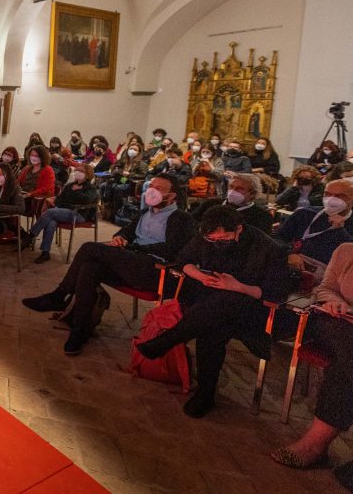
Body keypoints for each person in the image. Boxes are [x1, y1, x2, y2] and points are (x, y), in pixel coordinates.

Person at [135, 207, 291, 418]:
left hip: (250, 307)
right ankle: (204, 393)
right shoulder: (204, 237)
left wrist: (237, 286)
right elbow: (184, 261)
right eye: (212, 239)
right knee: (213, 324)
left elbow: (275, 294)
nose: (217, 243)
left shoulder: (268, 248)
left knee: (221, 307)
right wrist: (201, 276)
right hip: (209, 302)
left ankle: (170, 341)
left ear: (239, 229)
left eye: (223, 239)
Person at [22, 174, 197, 355]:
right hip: (130, 262)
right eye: (151, 186)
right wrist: (120, 238)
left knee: (89, 248)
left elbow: (173, 250)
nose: (152, 191)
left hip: (154, 270)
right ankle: (79, 330)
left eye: (159, 189)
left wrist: (133, 247)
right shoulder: (145, 213)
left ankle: (59, 296)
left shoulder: (182, 218)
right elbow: (126, 231)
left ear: (172, 195)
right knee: (89, 268)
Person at [271, 243, 353, 468]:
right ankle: (314, 446)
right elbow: (325, 288)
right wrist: (335, 301)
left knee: (346, 363)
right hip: (336, 321)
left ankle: (315, 445)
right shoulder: (346, 251)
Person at [22, 163, 100, 264]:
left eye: (81, 171)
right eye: (77, 170)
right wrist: (70, 197)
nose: (78, 172)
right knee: (51, 222)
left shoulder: (91, 188)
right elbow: (59, 200)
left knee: (50, 212)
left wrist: (75, 192)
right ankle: (45, 252)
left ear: (88, 174)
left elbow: (87, 200)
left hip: (79, 214)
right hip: (63, 212)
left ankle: (31, 236)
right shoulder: (69, 186)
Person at [275, 179, 353, 267]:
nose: (331, 199)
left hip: (331, 271)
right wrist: (289, 253)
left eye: (340, 196)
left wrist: (340, 230)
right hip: (292, 265)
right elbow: (278, 237)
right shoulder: (305, 213)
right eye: (327, 194)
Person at [191, 173, 272, 233]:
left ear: (252, 194)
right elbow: (191, 222)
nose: (233, 191)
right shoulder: (211, 203)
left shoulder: (262, 216)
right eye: (231, 187)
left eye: (239, 189)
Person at [16, 144, 56, 215]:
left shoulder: (48, 170)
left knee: (14, 204)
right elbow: (18, 182)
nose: (34, 158)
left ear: (42, 157)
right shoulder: (27, 168)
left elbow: (46, 188)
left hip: (36, 199)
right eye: (32, 155)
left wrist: (30, 194)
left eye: (36, 156)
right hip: (24, 194)